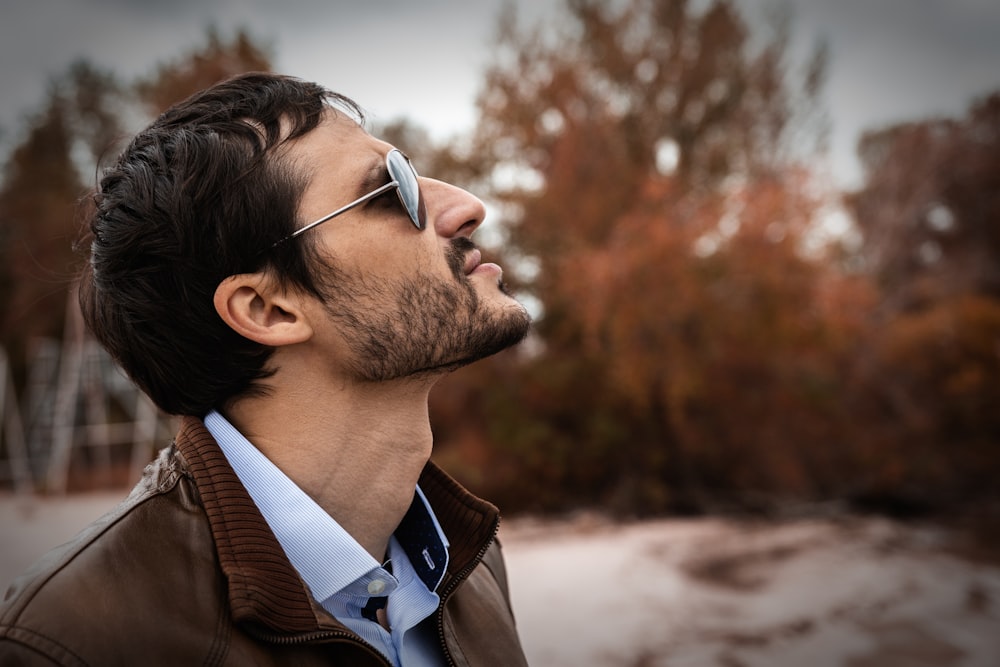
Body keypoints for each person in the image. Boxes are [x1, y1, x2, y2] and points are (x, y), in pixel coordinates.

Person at [0, 72, 532, 666]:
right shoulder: (72, 642)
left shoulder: (468, 561)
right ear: (268, 308)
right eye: (392, 189)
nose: (467, 206)